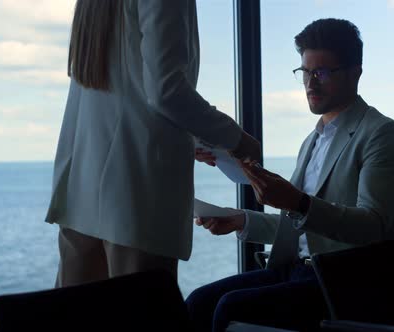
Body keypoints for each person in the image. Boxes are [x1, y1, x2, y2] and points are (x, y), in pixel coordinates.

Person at [187, 18, 394, 332]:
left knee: (231, 308)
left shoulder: (383, 135)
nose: (311, 83)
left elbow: (373, 227)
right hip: (301, 271)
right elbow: (302, 228)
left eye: (322, 72)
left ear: (355, 73)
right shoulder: (313, 140)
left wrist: (299, 202)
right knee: (199, 301)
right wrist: (241, 220)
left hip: (348, 282)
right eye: (305, 72)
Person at [44, 0, 260, 288]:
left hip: (83, 186)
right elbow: (167, 91)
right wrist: (237, 139)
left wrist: (189, 136)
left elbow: (118, 87)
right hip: (137, 190)